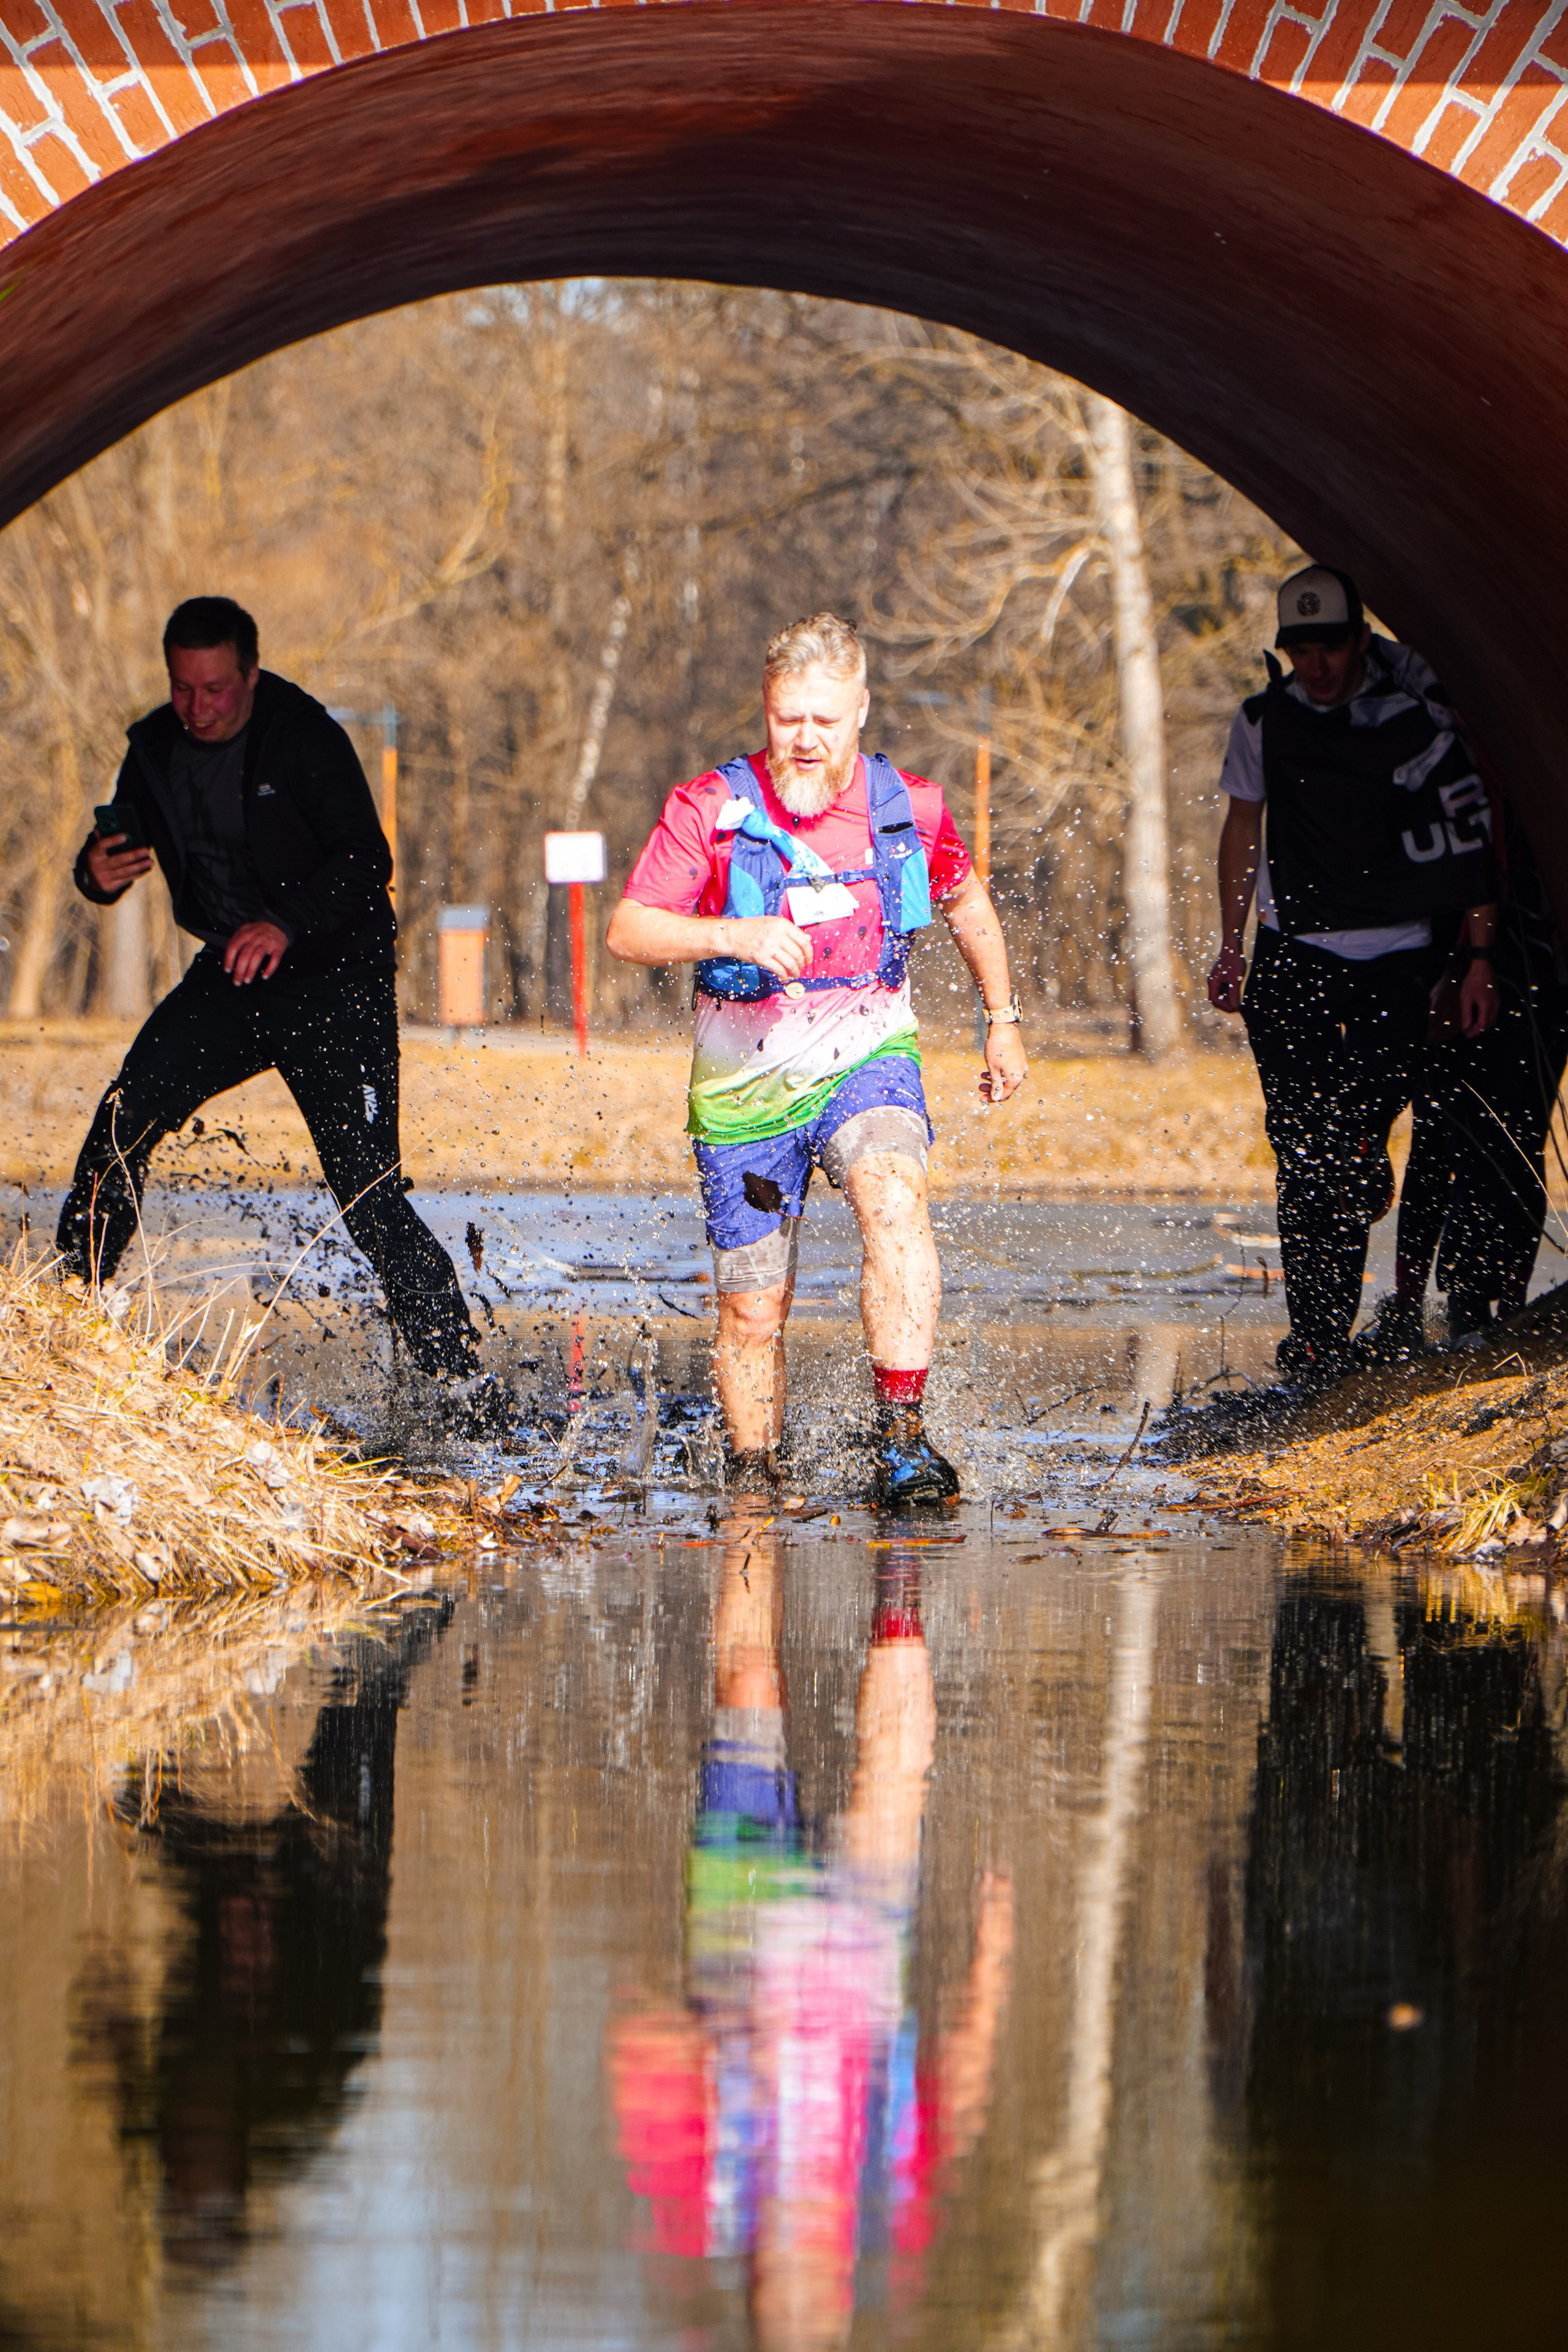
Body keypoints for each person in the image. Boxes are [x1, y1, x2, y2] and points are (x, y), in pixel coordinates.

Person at [606, 612, 1027, 1504]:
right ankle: (755, 1483)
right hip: (743, 1087)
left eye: (824, 721)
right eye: (787, 717)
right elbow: (630, 930)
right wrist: (738, 932)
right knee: (755, 1308)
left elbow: (965, 902)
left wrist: (1003, 1015)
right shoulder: (709, 808)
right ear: (765, 709)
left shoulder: (908, 805)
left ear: (861, 710)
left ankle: (903, 1439)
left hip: (867, 1052)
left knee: (893, 1198)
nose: (803, 739)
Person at [59, 597, 500, 1429]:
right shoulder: (152, 747)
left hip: (336, 979)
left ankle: (459, 1386)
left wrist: (287, 921)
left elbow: (368, 861)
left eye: (218, 690)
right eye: (184, 689)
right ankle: (69, 1320)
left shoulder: (304, 736)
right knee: (123, 1122)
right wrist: (94, 874)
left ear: (250, 677)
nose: (200, 708)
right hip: (232, 973)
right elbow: (108, 855)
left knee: (366, 1188)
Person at [1207, 566, 1499, 1382]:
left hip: (1399, 962)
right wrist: (1231, 944)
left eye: (1331, 646)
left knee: (1348, 1145)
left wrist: (1476, 957)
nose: (1319, 666)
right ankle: (1318, 1338)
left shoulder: (1419, 722)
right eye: (1301, 649)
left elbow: (1470, 843)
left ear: (1360, 641)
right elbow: (1242, 830)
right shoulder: (1263, 721)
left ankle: (1367, 1170)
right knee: (1302, 1147)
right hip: (1295, 955)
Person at [1369, 797, 1568, 1355]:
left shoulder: (1528, 767)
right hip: (1444, 968)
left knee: (1517, 1139)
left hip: (1536, 973)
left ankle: (1495, 1305)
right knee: (1436, 1137)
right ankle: (1412, 1306)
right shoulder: (1441, 759)